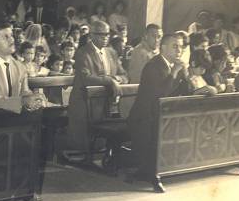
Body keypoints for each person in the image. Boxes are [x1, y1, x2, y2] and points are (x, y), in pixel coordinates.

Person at [63, 20, 128, 162]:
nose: (105, 38)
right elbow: (86, 78)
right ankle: (85, 157)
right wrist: (109, 80)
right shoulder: (83, 52)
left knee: (101, 141)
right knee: (84, 141)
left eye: (107, 34)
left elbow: (124, 75)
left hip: (106, 102)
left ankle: (103, 156)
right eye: (101, 34)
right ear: (92, 35)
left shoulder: (111, 52)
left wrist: (117, 78)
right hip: (85, 102)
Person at [128, 34, 189, 179]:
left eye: (181, 47)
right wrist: (174, 72)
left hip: (162, 114)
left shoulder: (175, 66)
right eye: (175, 46)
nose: (179, 50)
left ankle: (171, 166)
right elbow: (160, 95)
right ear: (163, 48)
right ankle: (151, 171)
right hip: (145, 118)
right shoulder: (153, 66)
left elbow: (185, 91)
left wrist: (185, 74)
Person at [0, 23, 45, 113]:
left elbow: (24, 92)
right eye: (6, 37)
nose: (12, 39)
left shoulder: (20, 66)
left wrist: (34, 99)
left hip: (19, 118)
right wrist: (22, 101)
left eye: (11, 35)